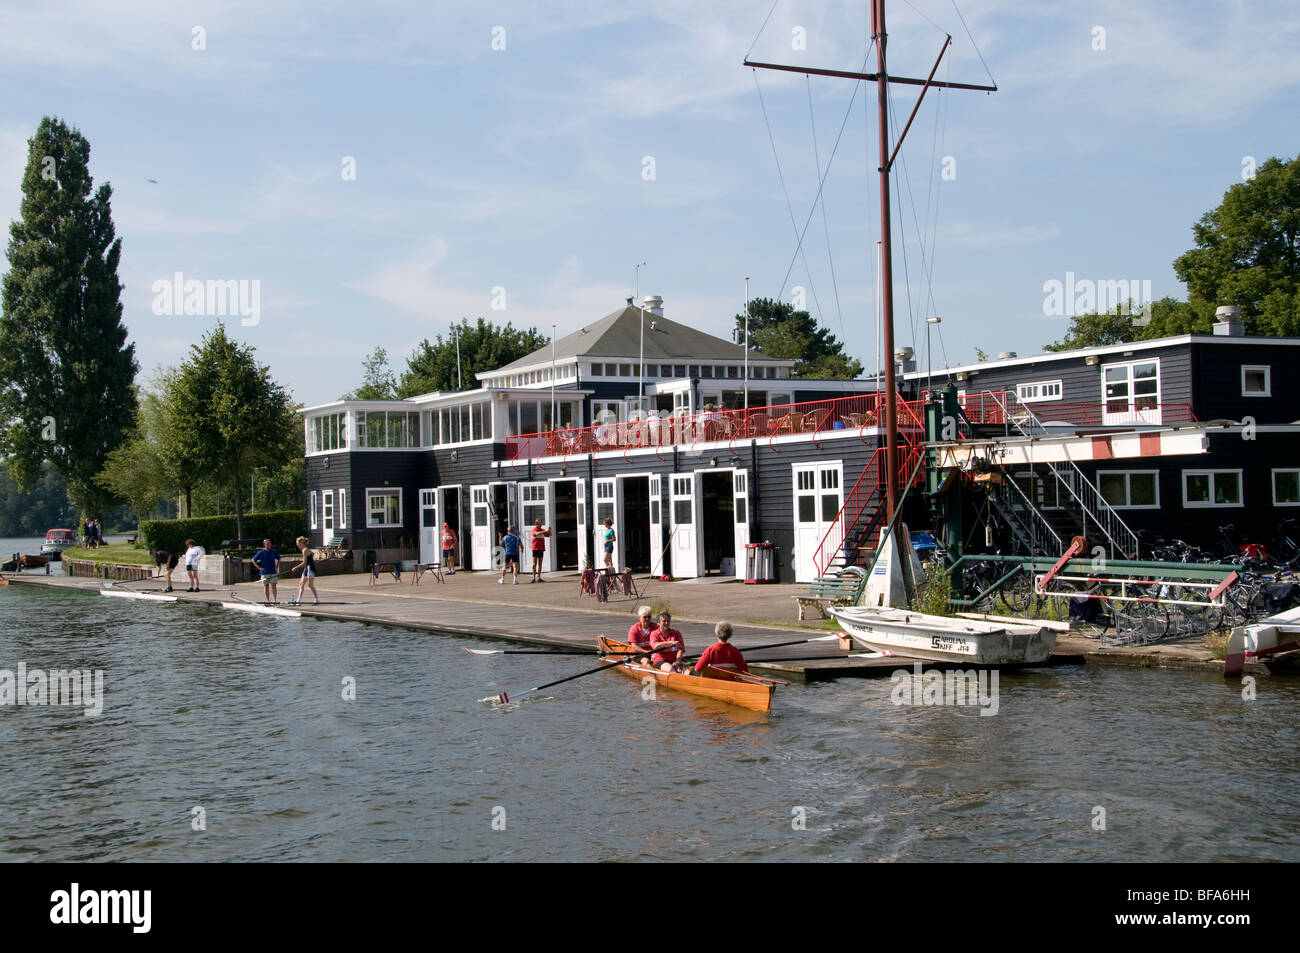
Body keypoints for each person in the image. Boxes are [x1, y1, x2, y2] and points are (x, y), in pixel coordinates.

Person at [288, 535, 320, 605]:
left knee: (310, 585)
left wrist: (296, 567)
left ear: (301, 543)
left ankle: (317, 599)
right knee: (301, 584)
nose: (297, 544)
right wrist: (311, 559)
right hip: (306, 568)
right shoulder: (305, 550)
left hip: (310, 568)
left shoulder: (305, 550)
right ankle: (298, 600)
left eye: (297, 543)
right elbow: (312, 553)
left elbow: (304, 562)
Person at [251, 538, 282, 603]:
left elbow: (279, 558)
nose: (269, 545)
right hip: (265, 572)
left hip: (273, 571)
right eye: (267, 544)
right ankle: (268, 600)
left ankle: (275, 600)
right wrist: (258, 567)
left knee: (274, 585)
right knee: (266, 586)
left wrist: (277, 566)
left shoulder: (273, 551)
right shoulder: (261, 552)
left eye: (270, 544)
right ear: (264, 545)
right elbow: (253, 560)